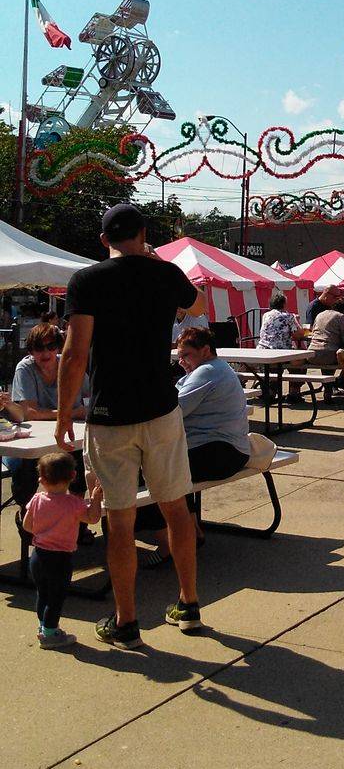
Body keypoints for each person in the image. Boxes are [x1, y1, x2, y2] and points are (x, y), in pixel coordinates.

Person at [57, 203, 206, 648]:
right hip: (162, 409)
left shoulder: (87, 281)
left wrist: (65, 414)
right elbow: (198, 302)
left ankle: (126, 620)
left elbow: (75, 353)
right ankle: (189, 603)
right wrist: (160, 262)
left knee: (118, 522)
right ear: (143, 234)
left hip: (110, 415)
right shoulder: (165, 275)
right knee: (176, 508)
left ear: (104, 240)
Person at [141, 326, 253, 567]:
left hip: (221, 452)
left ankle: (166, 544)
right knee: (171, 467)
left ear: (205, 350)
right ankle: (191, 532)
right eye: (179, 356)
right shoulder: (215, 369)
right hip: (231, 450)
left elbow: (172, 410)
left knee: (152, 473)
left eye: (186, 355)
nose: (181, 361)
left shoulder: (207, 371)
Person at [4, 325, 91, 525]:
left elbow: (88, 403)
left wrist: (66, 413)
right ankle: (26, 516)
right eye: (38, 348)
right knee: (26, 468)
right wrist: (68, 412)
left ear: (58, 347)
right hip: (38, 438)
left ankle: (76, 522)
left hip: (72, 434)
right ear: (31, 351)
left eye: (50, 346)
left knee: (85, 460)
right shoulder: (25, 369)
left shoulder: (69, 365)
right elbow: (29, 413)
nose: (45, 353)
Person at [22, 450, 103, 649]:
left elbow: (27, 526)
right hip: (60, 558)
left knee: (43, 593)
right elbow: (92, 518)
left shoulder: (37, 499)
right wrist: (95, 499)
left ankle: (44, 626)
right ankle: (50, 633)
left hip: (38, 555)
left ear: (41, 478)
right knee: (56, 596)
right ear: (73, 476)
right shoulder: (73, 504)